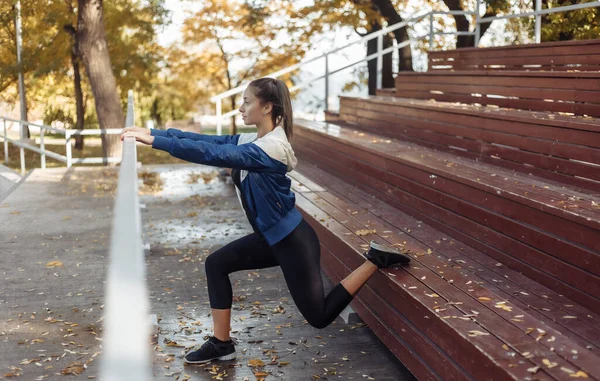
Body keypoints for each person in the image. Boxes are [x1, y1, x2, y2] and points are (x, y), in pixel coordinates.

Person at [121, 77, 411, 365]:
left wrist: (156, 142)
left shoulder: (272, 148)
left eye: (247, 102)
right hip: (270, 238)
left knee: (319, 316)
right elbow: (208, 141)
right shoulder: (254, 139)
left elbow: (214, 153)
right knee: (216, 264)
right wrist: (152, 131)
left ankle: (374, 260)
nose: (240, 108)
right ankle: (221, 344)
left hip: (292, 242)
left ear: (267, 107)